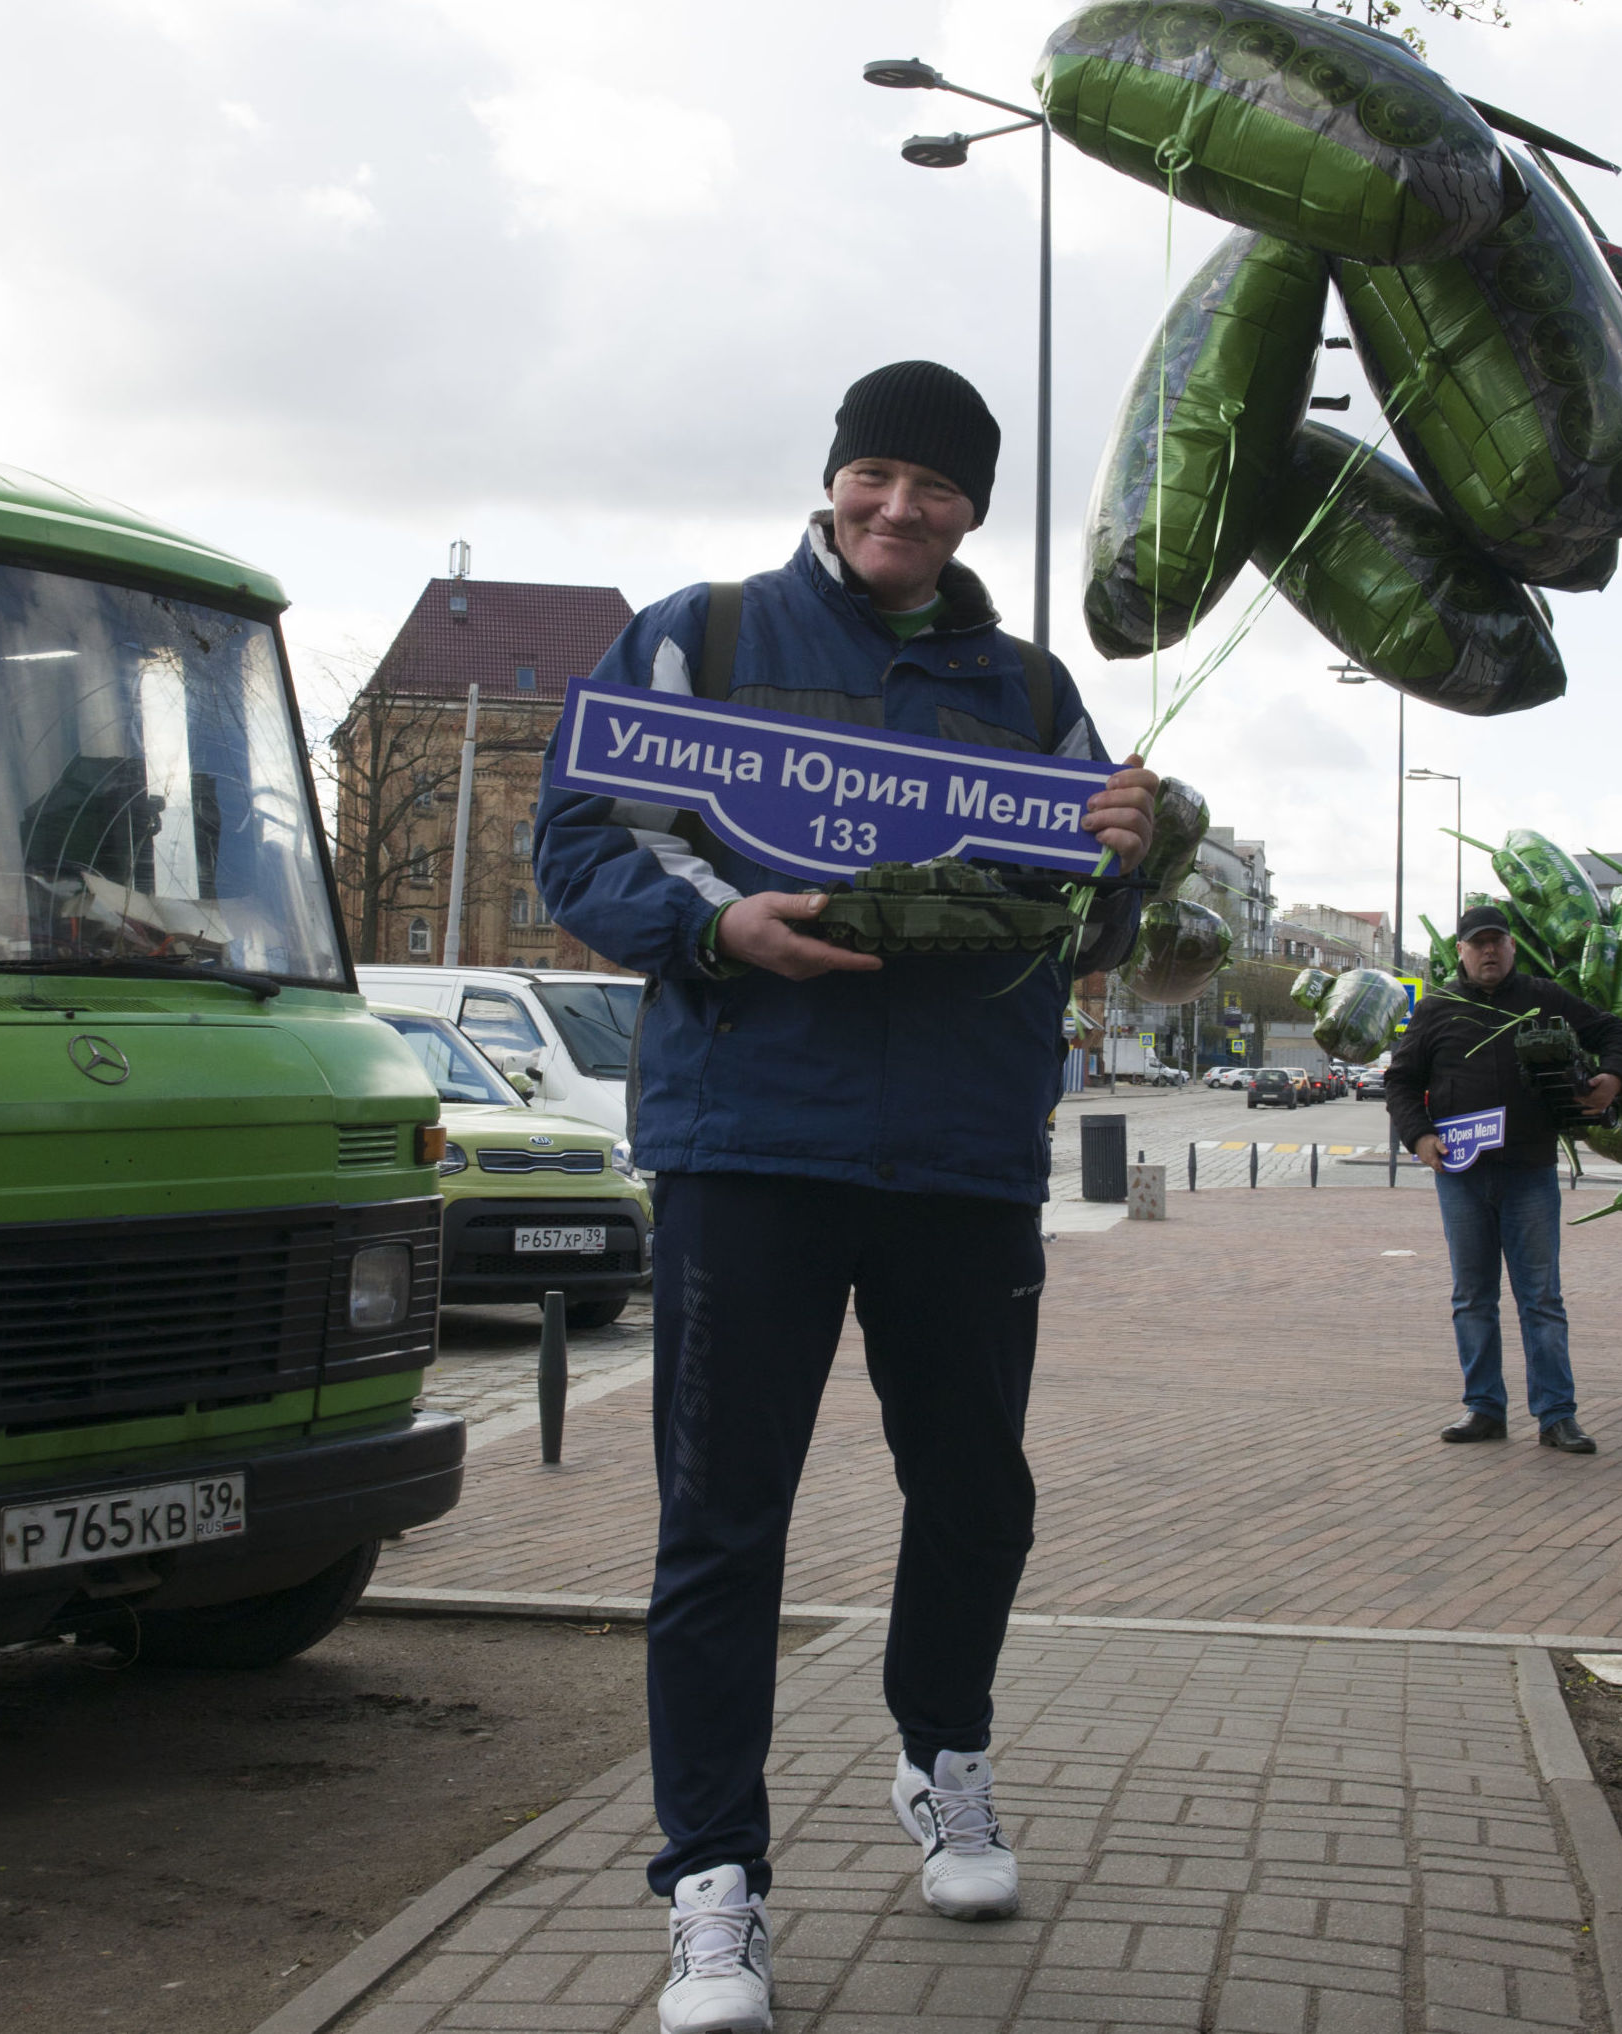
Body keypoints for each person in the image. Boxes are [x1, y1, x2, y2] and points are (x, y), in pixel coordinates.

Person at [532, 361, 1158, 2034]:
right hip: (752, 1142)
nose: (900, 507)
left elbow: (1083, 925)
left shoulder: (1030, 686)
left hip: (960, 1151)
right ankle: (712, 1882)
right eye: (874, 474)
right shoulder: (703, 636)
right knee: (721, 1523)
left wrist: (1131, 851)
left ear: (974, 507)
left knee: (977, 1494)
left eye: (937, 486)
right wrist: (710, 925)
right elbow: (581, 845)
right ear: (832, 478)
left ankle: (940, 1750)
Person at [1383, 902, 1622, 1455]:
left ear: (1512, 946)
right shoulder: (1438, 1007)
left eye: (1497, 941)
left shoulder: (1544, 998)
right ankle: (1484, 1408)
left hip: (1529, 1170)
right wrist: (1420, 1137)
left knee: (1541, 1297)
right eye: (1478, 943)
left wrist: (1612, 1077)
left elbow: (1616, 1028)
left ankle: (1556, 1415)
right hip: (1461, 1174)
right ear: (1462, 952)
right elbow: (1400, 1082)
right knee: (1472, 1297)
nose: (1489, 951)